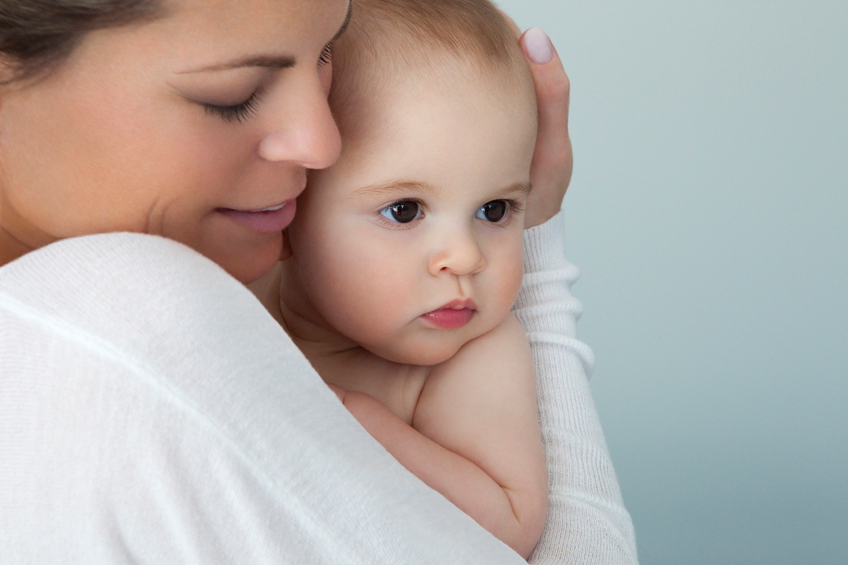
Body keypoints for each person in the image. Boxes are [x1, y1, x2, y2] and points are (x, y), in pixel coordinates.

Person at [0, 0, 638, 563]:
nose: (322, 143)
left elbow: (510, 523)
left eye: (327, 54)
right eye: (235, 92)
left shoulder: (466, 354)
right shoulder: (105, 325)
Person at [253, 0, 546, 556]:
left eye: (495, 210)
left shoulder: (476, 354)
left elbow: (510, 528)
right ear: (288, 212)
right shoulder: (235, 302)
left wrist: (343, 418)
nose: (464, 258)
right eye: (405, 211)